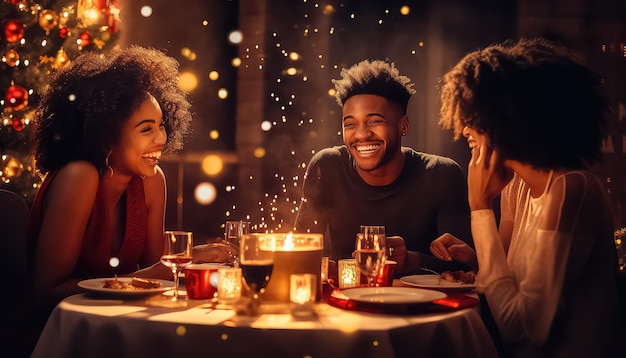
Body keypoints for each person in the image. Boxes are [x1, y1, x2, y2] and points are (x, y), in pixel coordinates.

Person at [435, 37, 620, 357]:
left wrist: (479, 209)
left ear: (505, 118)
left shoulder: (571, 189)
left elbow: (522, 327)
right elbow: (501, 283)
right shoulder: (516, 187)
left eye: (472, 117)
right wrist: (474, 256)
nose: (464, 129)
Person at [26, 46, 233, 316]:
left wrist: (194, 259)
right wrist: (167, 267)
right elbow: (46, 294)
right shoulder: (79, 176)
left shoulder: (152, 181)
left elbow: (157, 275)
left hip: (114, 325)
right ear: (106, 136)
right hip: (56, 335)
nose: (161, 139)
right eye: (146, 128)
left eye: (161, 125)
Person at [294, 59, 475, 275]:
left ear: (404, 125)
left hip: (425, 307)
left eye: (374, 121)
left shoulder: (442, 174)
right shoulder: (326, 167)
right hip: (344, 305)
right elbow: (299, 252)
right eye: (350, 124)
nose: (361, 135)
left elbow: (466, 266)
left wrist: (412, 260)